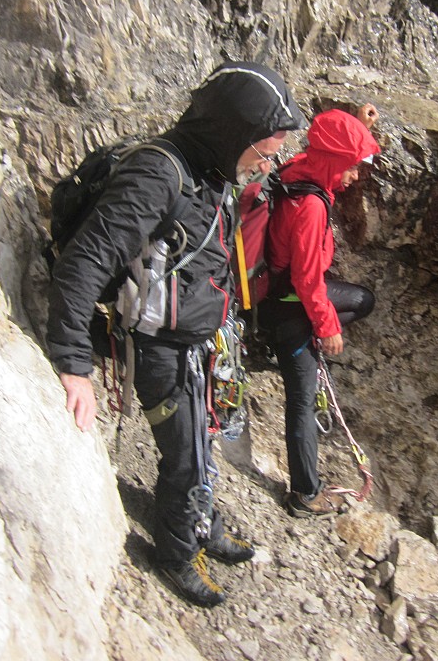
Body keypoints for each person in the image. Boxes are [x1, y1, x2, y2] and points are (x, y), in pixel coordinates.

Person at [46, 61, 305, 607]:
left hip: (196, 342)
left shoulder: (210, 171)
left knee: (201, 442)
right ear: (234, 133)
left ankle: (202, 523)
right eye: (265, 149)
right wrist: (75, 366)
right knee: (184, 457)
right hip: (161, 350)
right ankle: (176, 553)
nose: (270, 162)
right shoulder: (160, 174)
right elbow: (84, 262)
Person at [257, 105, 380, 518]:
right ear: (333, 162)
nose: (355, 175)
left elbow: (331, 143)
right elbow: (309, 281)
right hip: (291, 309)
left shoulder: (300, 168)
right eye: (351, 166)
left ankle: (305, 341)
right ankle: (305, 494)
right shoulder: (310, 209)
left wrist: (359, 126)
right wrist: (325, 326)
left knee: (363, 299)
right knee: (302, 403)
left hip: (283, 297)